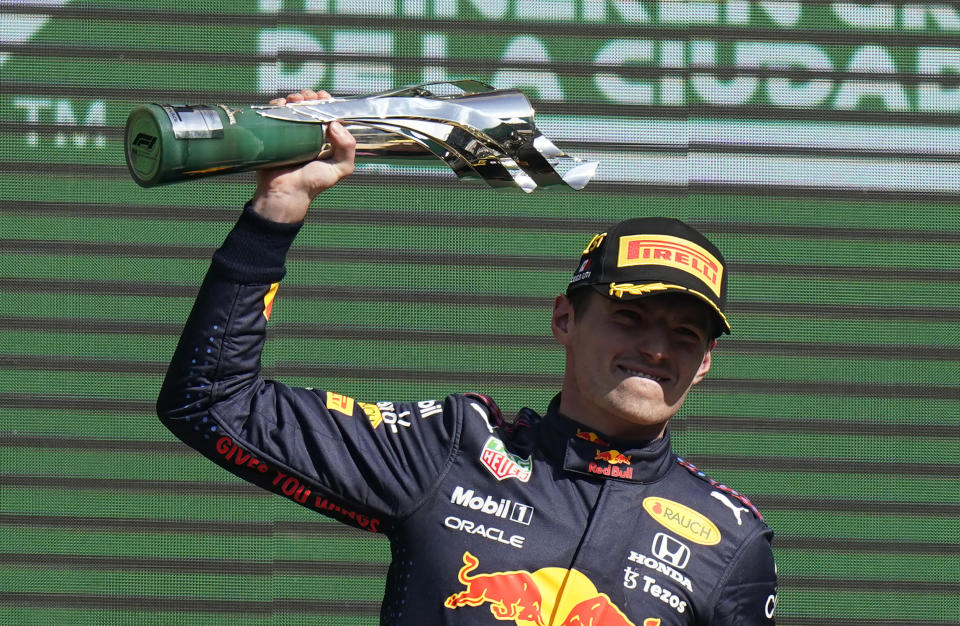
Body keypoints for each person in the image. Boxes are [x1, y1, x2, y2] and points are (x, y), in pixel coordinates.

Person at [157, 89, 778, 625]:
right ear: (565, 319)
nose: (655, 347)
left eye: (685, 336)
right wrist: (278, 209)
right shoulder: (453, 449)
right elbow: (212, 404)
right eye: (630, 316)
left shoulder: (730, 540)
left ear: (704, 364)